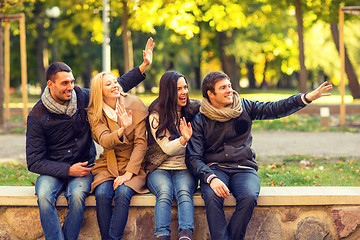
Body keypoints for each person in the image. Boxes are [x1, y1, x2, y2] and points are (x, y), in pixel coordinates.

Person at [26, 38, 154, 240]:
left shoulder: (82, 97)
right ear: (50, 84)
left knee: (77, 197)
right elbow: (33, 160)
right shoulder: (37, 115)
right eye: (64, 83)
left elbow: (115, 86)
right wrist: (67, 170)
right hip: (53, 169)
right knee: (43, 195)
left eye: (72, 82)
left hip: (84, 166)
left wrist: (143, 66)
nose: (70, 87)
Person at [185, 71, 332, 240]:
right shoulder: (199, 119)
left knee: (248, 196)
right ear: (210, 94)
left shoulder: (244, 107)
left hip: (244, 167)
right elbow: (193, 157)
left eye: (230, 86)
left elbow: (274, 108)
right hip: (215, 169)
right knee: (211, 196)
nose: (229, 91)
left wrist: (305, 98)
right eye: (223, 88)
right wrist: (211, 178)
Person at [87, 71, 149, 240]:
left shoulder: (135, 103)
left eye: (115, 81)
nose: (115, 85)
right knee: (101, 194)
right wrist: (122, 129)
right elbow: (105, 140)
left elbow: (141, 144)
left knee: (122, 193)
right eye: (108, 84)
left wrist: (129, 173)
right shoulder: (94, 112)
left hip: (134, 164)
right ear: (99, 91)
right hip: (109, 163)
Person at [146, 72, 200, 240]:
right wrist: (184, 139)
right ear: (168, 91)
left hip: (184, 167)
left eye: (185, 87)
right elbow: (167, 148)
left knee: (184, 192)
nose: (184, 92)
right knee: (165, 192)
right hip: (159, 168)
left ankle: (185, 235)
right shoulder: (156, 115)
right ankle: (162, 235)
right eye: (178, 89)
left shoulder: (193, 110)